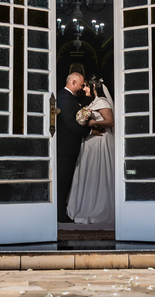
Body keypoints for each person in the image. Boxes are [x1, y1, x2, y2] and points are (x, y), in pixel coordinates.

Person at [67, 78, 115, 226]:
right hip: (91, 142)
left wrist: (92, 123)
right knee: (90, 173)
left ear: (93, 86)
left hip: (100, 142)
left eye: (86, 86)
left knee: (99, 172)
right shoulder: (93, 103)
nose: (84, 89)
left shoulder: (102, 101)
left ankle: (99, 209)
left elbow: (110, 121)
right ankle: (85, 206)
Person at [55, 72, 90, 223]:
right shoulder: (64, 97)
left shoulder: (70, 98)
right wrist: (89, 131)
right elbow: (70, 122)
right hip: (65, 148)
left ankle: (61, 211)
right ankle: (59, 214)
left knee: (66, 180)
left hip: (69, 147)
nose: (82, 88)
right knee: (63, 180)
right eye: (81, 85)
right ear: (73, 82)